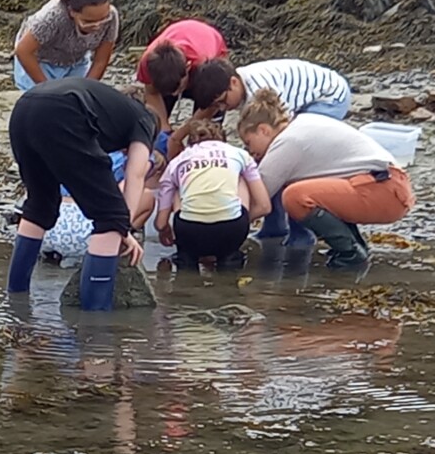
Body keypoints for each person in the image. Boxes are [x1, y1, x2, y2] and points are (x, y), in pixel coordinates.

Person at [7, 78, 160, 308]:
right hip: (64, 110)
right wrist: (122, 227)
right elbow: (136, 174)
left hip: (23, 108)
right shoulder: (145, 119)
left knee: (40, 205)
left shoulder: (110, 112)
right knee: (111, 215)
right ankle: (94, 320)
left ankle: (15, 302)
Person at [237, 88, 414, 270]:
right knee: (305, 190)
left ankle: (351, 254)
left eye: (249, 142)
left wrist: (230, 228)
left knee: (295, 197)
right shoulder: (302, 123)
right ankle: (356, 246)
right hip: (389, 185)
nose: (250, 151)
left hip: (385, 190)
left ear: (263, 130)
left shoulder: (288, 142)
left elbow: (258, 198)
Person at [153, 115, 270, 271]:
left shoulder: (177, 161)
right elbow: (264, 206)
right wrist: (240, 221)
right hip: (232, 228)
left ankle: (187, 261)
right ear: (223, 141)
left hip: (189, 231)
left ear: (190, 144)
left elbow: (161, 223)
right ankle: (229, 259)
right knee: (240, 176)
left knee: (180, 183)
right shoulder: (239, 154)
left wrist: (165, 231)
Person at [12, 0, 120, 90]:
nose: (98, 25)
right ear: (72, 12)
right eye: (89, 21)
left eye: (103, 19)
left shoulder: (111, 16)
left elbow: (100, 61)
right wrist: (47, 89)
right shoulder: (53, 17)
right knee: (44, 99)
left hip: (76, 60)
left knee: (77, 96)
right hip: (40, 60)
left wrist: (86, 89)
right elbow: (23, 51)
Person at [135, 19, 228, 139]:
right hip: (172, 68)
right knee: (155, 126)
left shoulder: (204, 65)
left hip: (209, 51)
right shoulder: (147, 63)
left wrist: (179, 135)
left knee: (204, 131)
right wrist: (165, 129)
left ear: (188, 67)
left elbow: (212, 105)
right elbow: (151, 93)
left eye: (178, 89)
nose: (175, 94)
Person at [188, 57, 353, 121]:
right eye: (217, 106)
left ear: (234, 82)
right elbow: (205, 113)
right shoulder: (238, 83)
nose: (223, 108)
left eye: (223, 101)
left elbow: (283, 123)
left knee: (300, 135)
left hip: (331, 96)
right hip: (305, 99)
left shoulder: (260, 88)